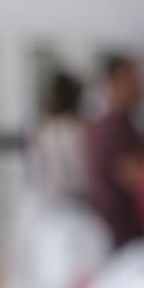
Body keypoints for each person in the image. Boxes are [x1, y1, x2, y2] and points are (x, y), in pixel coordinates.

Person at [87, 53, 144, 246]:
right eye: (133, 82)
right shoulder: (112, 131)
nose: (140, 89)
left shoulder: (127, 125)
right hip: (120, 240)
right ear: (114, 83)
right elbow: (143, 180)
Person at [30, 71, 90, 203]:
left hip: (51, 200)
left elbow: (37, 171)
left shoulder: (44, 130)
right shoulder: (82, 130)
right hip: (80, 200)